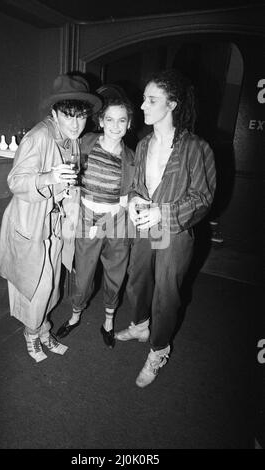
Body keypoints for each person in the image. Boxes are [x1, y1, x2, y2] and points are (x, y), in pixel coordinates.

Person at [115, 69, 216, 387]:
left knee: (166, 296)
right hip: (146, 228)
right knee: (138, 281)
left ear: (172, 104)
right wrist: (133, 201)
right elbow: (135, 186)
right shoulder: (143, 145)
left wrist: (164, 213)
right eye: (144, 98)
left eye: (151, 99)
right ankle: (141, 324)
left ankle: (159, 349)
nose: (142, 105)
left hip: (174, 231)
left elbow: (203, 197)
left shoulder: (196, 148)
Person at [0, 74, 102, 362]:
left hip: (53, 224)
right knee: (36, 287)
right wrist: (49, 177)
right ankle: (32, 335)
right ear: (54, 113)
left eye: (81, 116)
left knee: (52, 284)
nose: (76, 124)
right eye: (69, 116)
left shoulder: (71, 139)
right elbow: (16, 182)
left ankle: (42, 329)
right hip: (31, 225)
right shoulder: (39, 137)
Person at [56, 87, 135, 348]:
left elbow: (127, 200)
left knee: (115, 275)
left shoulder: (132, 159)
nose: (115, 126)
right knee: (83, 276)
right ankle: (76, 315)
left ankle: (109, 321)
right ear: (100, 121)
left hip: (116, 223)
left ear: (129, 124)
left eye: (122, 120)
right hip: (87, 218)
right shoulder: (86, 141)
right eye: (109, 119)